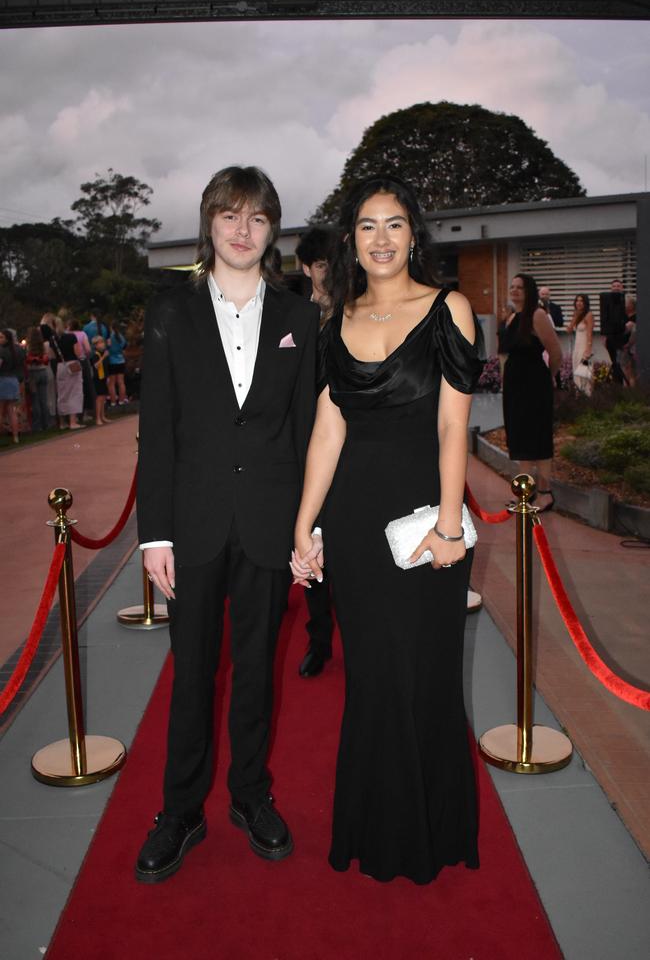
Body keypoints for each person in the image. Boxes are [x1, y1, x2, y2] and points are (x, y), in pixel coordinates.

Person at [291, 174, 483, 884]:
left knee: (425, 675)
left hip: (425, 521)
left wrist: (449, 526)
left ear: (413, 234)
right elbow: (327, 433)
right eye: (367, 225)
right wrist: (304, 527)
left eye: (394, 224)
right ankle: (377, 828)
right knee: (373, 678)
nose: (381, 238)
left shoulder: (449, 309)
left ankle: (431, 831)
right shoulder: (335, 319)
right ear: (351, 239)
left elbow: (452, 425)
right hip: (354, 525)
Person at [135, 165, 319, 884]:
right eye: (230, 216)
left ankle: (249, 795)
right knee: (193, 673)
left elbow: (307, 433)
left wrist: (312, 528)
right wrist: (155, 534)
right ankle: (180, 809)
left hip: (271, 523)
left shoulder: (300, 318)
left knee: (256, 673)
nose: (243, 232)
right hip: (194, 522)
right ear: (209, 222)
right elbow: (159, 429)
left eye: (258, 219)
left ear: (273, 231)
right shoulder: (171, 312)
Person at [294, 225, 340, 678]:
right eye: (322, 263)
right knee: (307, 542)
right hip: (304, 447)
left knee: (348, 542)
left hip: (349, 447)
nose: (330, 270)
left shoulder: (355, 311)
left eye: (334, 261)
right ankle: (320, 639)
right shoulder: (292, 317)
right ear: (306, 267)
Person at [500, 274, 562, 512]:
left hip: (535, 387)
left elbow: (555, 352)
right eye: (512, 287)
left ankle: (545, 493)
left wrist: (547, 378)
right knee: (521, 439)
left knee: (538, 438)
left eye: (520, 288)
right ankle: (525, 492)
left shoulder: (537, 315)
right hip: (515, 389)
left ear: (530, 291)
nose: (514, 291)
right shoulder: (513, 317)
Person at [53, 317, 83, 430]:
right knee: (75, 392)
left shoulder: (53, 339)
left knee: (62, 393)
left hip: (60, 365)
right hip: (72, 364)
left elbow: (51, 355)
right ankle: (73, 421)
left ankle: (62, 422)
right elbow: (78, 352)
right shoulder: (71, 336)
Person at [0, 328, 25, 444]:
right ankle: (16, 437)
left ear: (7, 339)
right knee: (12, 410)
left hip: (3, 380)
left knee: (1, 411)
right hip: (14, 380)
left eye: (1, 337)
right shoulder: (18, 349)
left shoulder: (2, 351)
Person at [599, 279, 626, 384]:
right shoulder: (606, 300)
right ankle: (617, 384)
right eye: (614, 286)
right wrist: (604, 335)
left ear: (622, 287)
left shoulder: (624, 300)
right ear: (611, 288)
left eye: (618, 286)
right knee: (614, 361)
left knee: (621, 362)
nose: (616, 288)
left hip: (622, 336)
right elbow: (604, 318)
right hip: (610, 336)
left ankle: (622, 383)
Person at [566, 294, 594, 395]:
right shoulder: (576, 314)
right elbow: (569, 330)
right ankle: (578, 395)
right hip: (577, 347)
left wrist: (588, 349)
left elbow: (590, 333)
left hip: (584, 346)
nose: (579, 303)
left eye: (581, 301)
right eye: (577, 301)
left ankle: (587, 395)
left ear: (585, 303)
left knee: (584, 372)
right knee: (576, 371)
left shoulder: (589, 315)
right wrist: (576, 316)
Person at [24, 326, 51, 431]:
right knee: (44, 400)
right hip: (43, 371)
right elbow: (46, 359)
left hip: (32, 374)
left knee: (35, 401)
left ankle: (37, 425)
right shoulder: (43, 346)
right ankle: (47, 423)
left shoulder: (27, 347)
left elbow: (26, 360)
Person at [90, 334, 111, 425]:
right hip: (97, 378)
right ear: (95, 345)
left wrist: (108, 377)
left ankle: (103, 416)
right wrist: (103, 357)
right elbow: (96, 365)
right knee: (99, 398)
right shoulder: (95, 355)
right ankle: (98, 418)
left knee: (103, 397)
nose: (103, 344)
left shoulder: (103, 354)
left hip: (103, 377)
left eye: (103, 342)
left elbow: (106, 367)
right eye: (100, 343)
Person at [106, 320, 128, 406]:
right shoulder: (121, 337)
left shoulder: (110, 338)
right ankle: (122, 401)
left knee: (112, 383)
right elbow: (124, 347)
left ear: (111, 327)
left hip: (112, 361)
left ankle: (113, 402)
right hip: (121, 361)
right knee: (121, 382)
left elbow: (107, 348)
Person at [620, 294, 637, 387]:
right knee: (625, 370)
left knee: (629, 371)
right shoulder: (625, 317)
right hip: (624, 348)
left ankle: (630, 393)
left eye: (625, 303)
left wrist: (628, 344)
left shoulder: (635, 317)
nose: (623, 305)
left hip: (630, 349)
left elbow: (634, 333)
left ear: (631, 305)